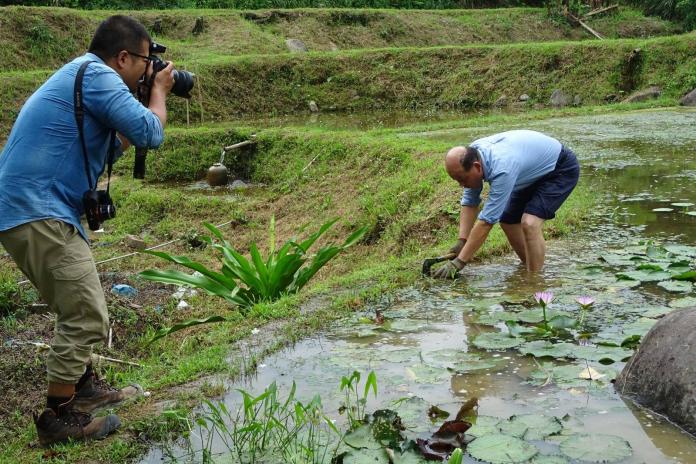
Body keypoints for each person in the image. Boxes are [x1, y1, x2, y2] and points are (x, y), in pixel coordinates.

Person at [0, 16, 174, 446]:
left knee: (78, 305)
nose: (148, 69)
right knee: (86, 313)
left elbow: (113, 144)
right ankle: (58, 417)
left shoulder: (84, 75)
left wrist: (136, 101)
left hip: (31, 209)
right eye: (146, 61)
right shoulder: (98, 75)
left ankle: (83, 388)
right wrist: (158, 94)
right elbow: (152, 133)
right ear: (123, 57)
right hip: (37, 210)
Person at [432, 129, 580, 279]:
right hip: (529, 173)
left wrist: (459, 262)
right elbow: (470, 202)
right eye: (456, 180)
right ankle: (531, 267)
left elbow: (486, 223)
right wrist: (462, 241)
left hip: (560, 168)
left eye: (462, 179)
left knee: (530, 223)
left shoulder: (502, 168)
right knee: (508, 221)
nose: (461, 184)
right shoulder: (473, 155)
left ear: (477, 167)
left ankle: (535, 282)